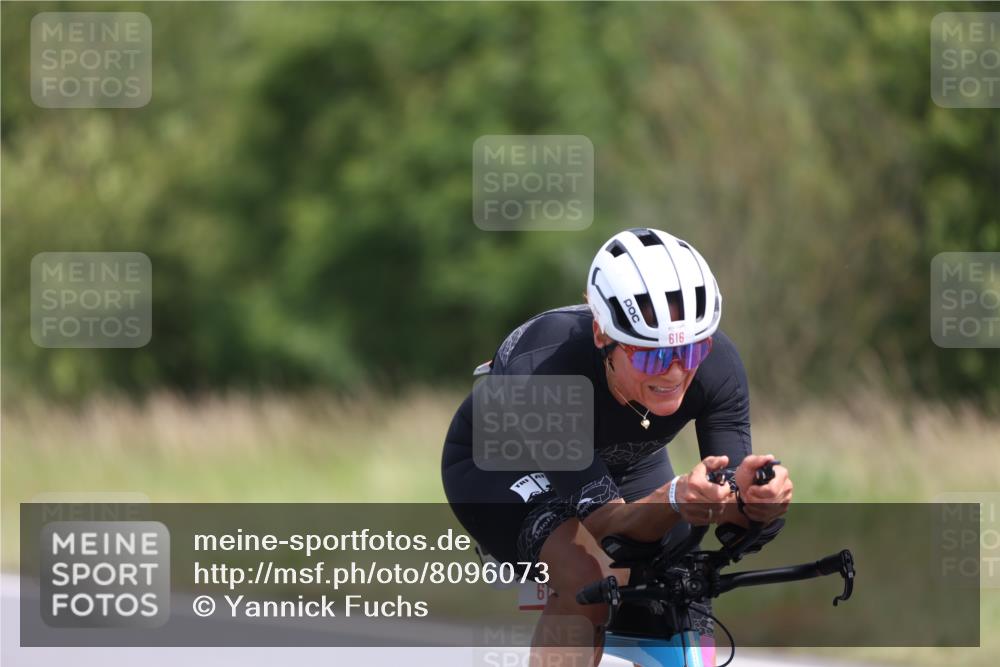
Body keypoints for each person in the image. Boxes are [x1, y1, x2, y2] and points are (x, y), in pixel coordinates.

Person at [441, 228, 793, 666]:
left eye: (691, 350)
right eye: (651, 356)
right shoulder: (547, 367)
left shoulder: (717, 364)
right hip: (499, 462)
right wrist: (674, 498)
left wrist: (758, 502)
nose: (675, 372)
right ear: (601, 336)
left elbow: (733, 512)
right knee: (586, 578)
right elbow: (608, 527)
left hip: (622, 458)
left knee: (684, 581)